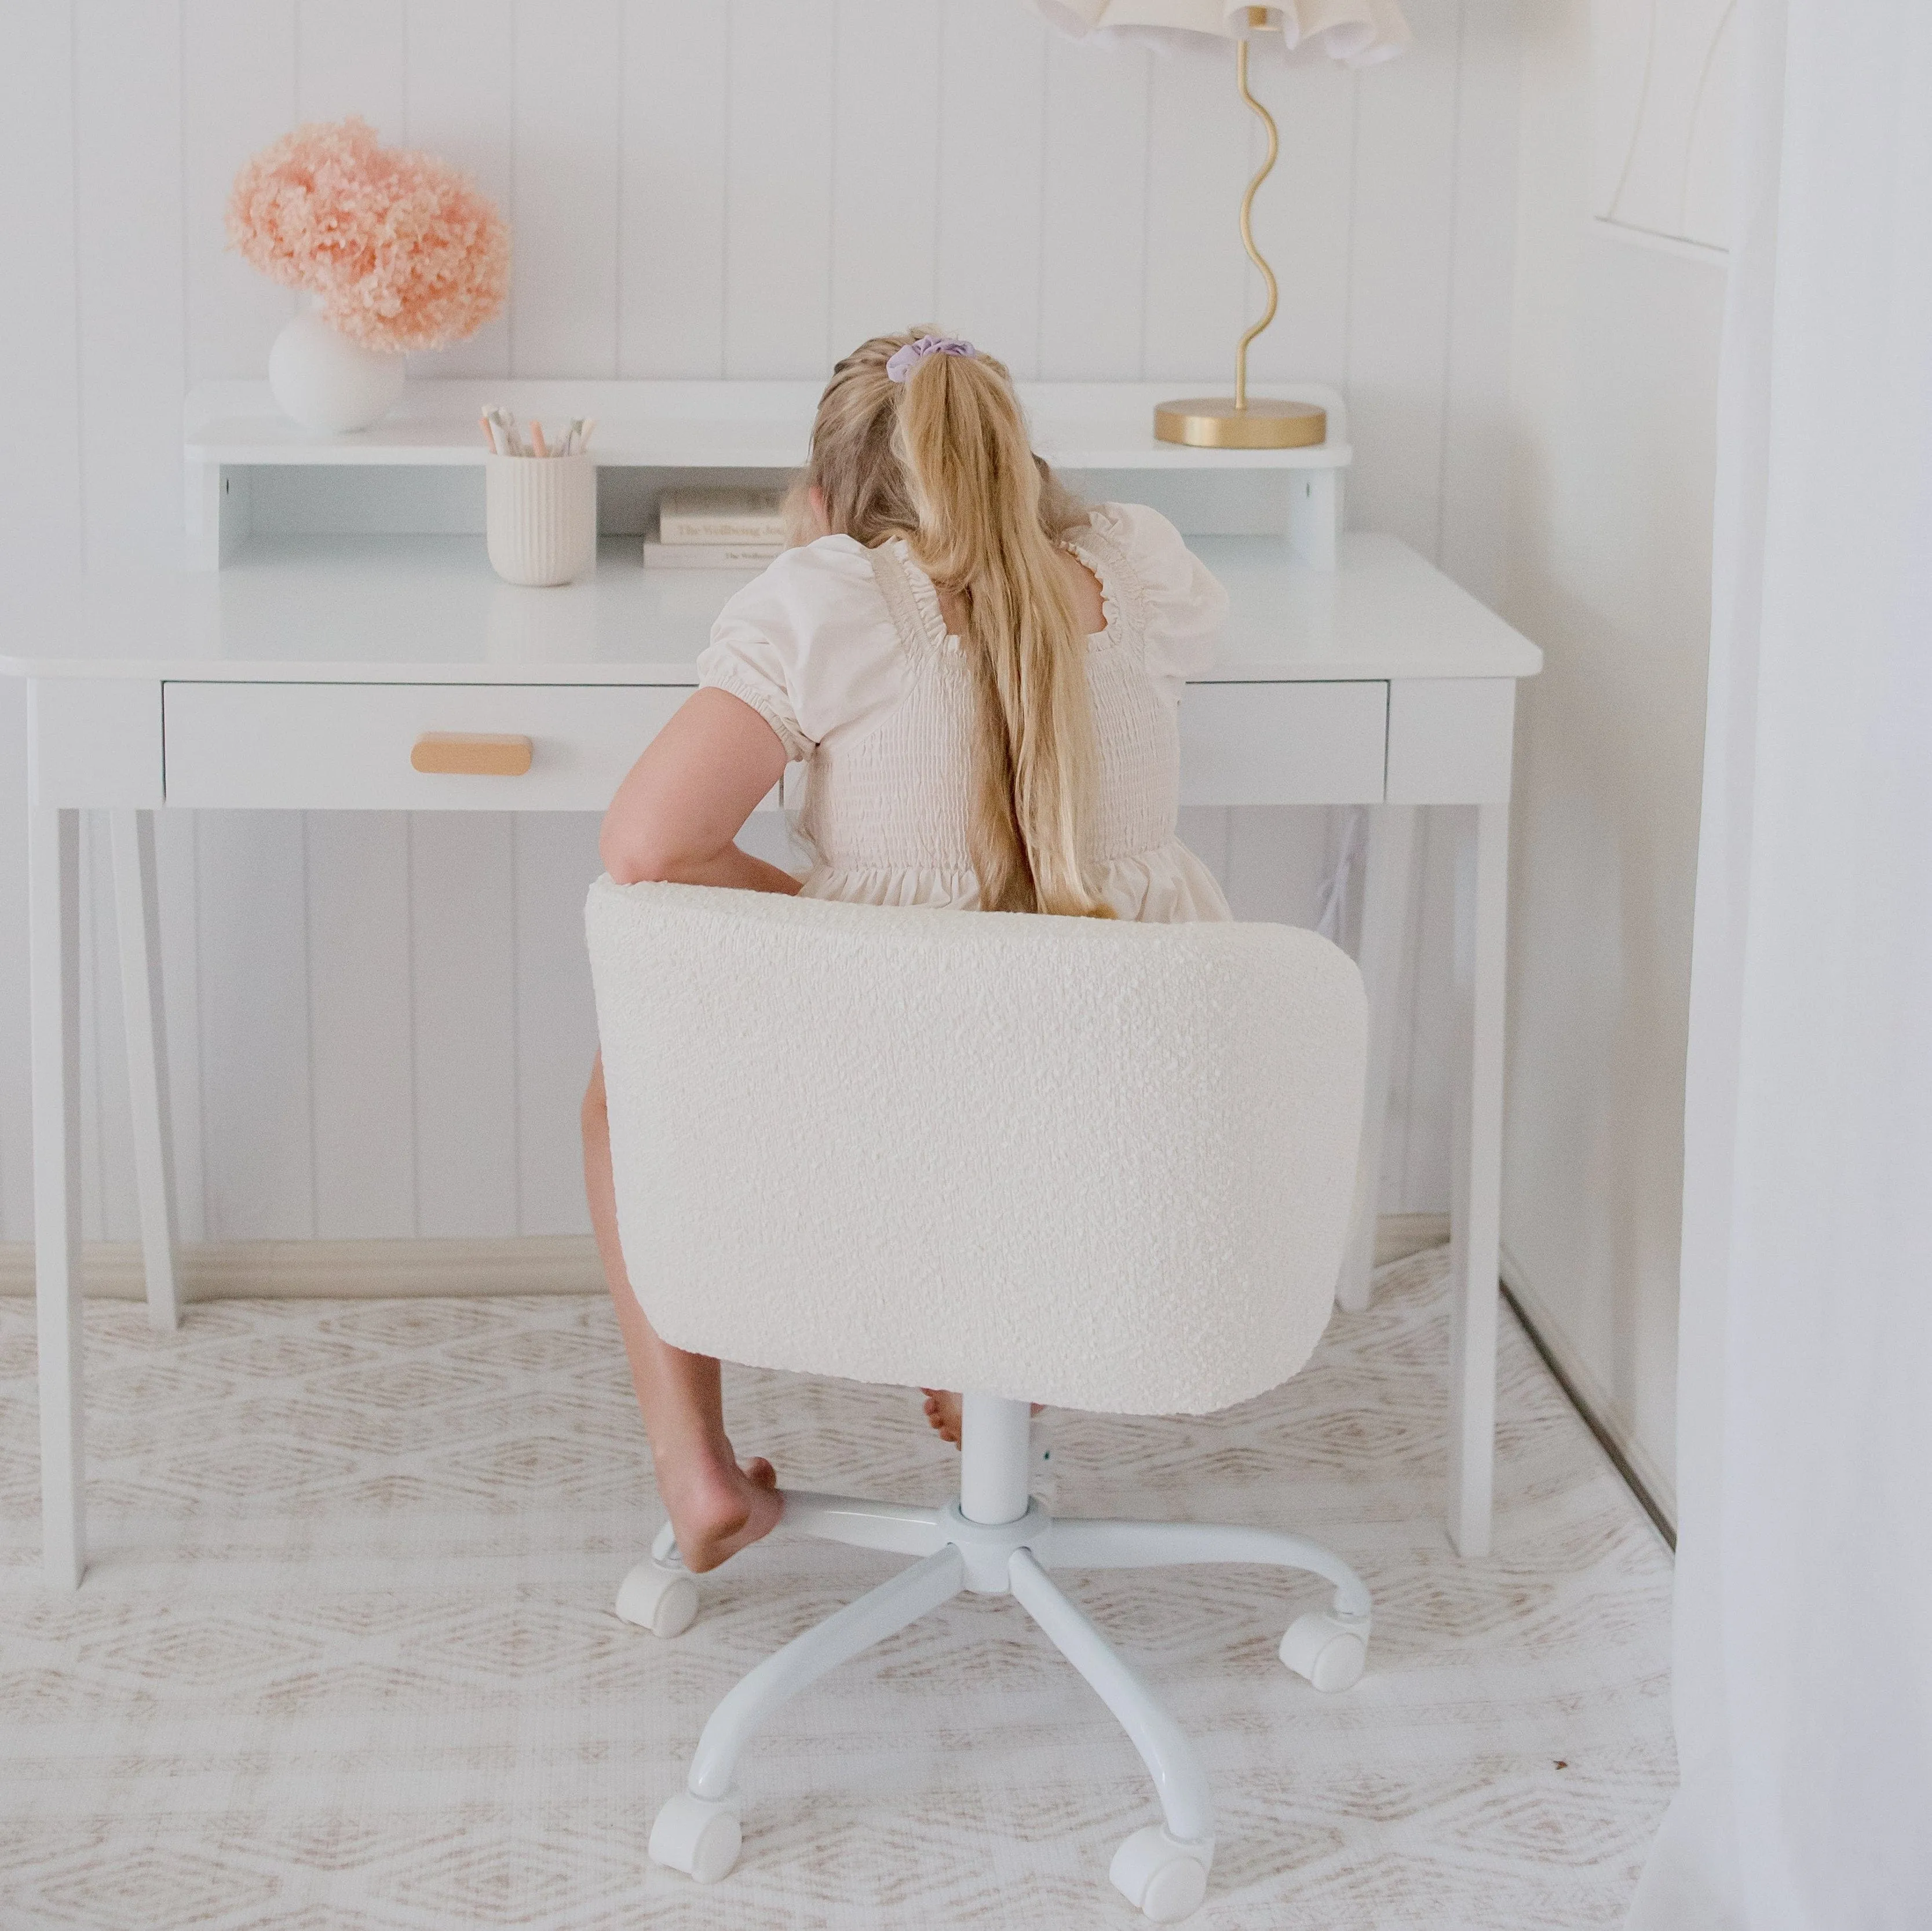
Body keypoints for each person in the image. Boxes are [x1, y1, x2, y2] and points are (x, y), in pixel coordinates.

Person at [582, 328, 1231, 1572]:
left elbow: (648, 844)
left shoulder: (830, 599)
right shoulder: (1137, 568)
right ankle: (991, 1328)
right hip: (1123, 1090)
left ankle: (700, 1471)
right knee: (1007, 1064)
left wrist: (834, 919)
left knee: (627, 1083)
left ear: (824, 506)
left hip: (912, 1100)